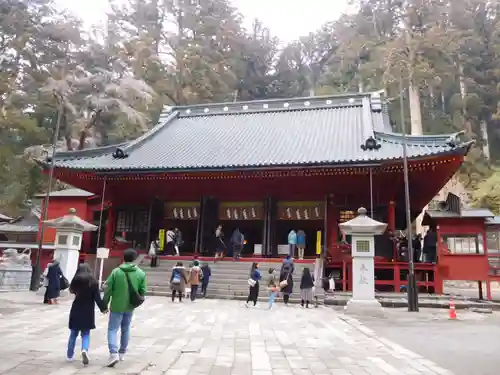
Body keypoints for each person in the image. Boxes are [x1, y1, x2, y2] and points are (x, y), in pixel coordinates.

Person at [103, 248, 147, 368]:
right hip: (130, 306)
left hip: (116, 305)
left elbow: (107, 289)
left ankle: (113, 353)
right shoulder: (141, 273)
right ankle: (122, 352)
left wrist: (104, 303)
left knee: (112, 329)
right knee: (126, 328)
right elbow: (143, 291)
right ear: (134, 258)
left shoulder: (116, 272)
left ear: (123, 257)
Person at [67, 263, 107, 364]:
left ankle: (70, 355)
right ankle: (84, 349)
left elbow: (71, 290)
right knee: (85, 334)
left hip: (76, 308)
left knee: (73, 334)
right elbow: (97, 298)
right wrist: (103, 308)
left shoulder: (76, 280)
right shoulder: (93, 282)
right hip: (88, 310)